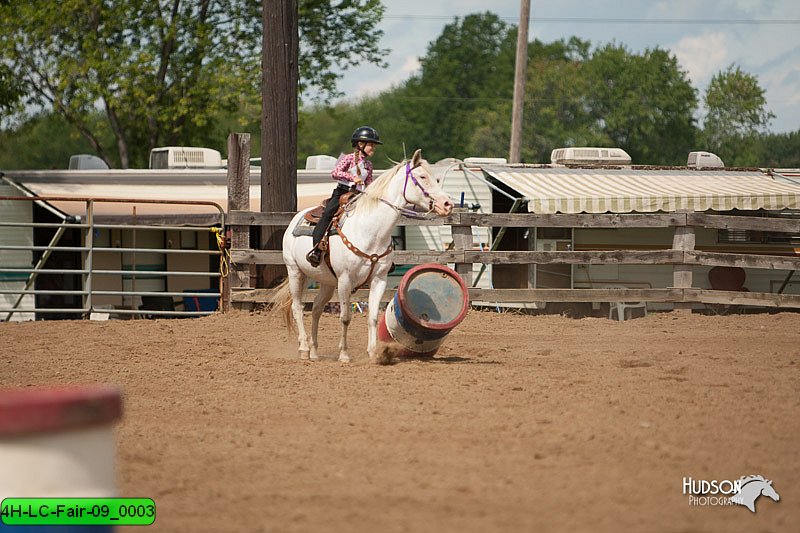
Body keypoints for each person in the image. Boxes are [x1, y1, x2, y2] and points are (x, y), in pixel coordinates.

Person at [306, 126, 383, 267]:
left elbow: (369, 182)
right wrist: (352, 178)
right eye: (371, 145)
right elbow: (335, 172)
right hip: (341, 193)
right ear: (361, 144)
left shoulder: (369, 165)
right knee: (328, 214)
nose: (373, 148)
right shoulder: (348, 158)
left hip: (359, 196)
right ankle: (316, 250)